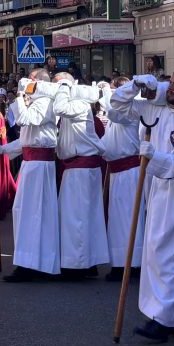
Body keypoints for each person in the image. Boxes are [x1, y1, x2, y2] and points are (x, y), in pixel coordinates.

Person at [109, 69, 174, 342]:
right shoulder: (153, 109)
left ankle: (167, 320)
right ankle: (159, 314)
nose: (171, 88)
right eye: (170, 83)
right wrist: (133, 86)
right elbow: (117, 107)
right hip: (157, 189)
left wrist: (156, 157)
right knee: (155, 253)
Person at [0, 73, 61, 282]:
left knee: (36, 214)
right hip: (31, 165)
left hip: (40, 167)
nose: (27, 83)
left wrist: (20, 96)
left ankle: (35, 264)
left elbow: (24, 119)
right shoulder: (36, 103)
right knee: (24, 211)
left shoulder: (46, 102)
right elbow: (25, 140)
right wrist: (2, 149)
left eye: (31, 80)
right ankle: (27, 261)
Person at [53, 77, 108, 278]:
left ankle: (78, 264)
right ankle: (85, 260)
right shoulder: (77, 105)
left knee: (77, 217)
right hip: (78, 167)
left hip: (81, 167)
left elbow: (59, 107)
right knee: (81, 216)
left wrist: (64, 85)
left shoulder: (78, 104)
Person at [102, 76, 144, 283]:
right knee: (117, 221)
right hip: (116, 170)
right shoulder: (115, 115)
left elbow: (113, 112)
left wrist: (104, 94)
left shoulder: (129, 112)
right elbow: (106, 141)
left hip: (129, 171)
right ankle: (119, 262)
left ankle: (132, 263)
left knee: (129, 219)